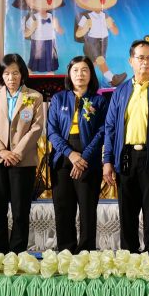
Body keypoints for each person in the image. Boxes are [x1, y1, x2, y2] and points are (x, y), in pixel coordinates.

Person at [102, 40, 149, 253]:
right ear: (131, 61)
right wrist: (107, 160)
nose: (145, 62)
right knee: (127, 211)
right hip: (125, 157)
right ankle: (129, 255)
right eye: (141, 58)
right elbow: (110, 128)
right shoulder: (120, 91)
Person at [0, 53, 44, 254]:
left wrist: (16, 153)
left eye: (15, 73)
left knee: (20, 212)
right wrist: (2, 151)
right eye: (6, 73)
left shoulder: (34, 97)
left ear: (22, 74)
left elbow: (36, 128)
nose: (11, 78)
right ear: (1, 75)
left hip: (22, 161)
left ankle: (16, 255)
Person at [47, 56, 108, 252]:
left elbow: (102, 131)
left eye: (84, 70)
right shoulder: (58, 99)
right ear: (69, 74)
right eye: (75, 70)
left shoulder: (99, 100)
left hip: (88, 158)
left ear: (91, 74)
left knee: (87, 209)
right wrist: (71, 154)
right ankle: (66, 252)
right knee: (63, 209)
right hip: (62, 156)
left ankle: (86, 254)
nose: (79, 74)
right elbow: (52, 131)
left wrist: (84, 157)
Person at [70, 0, 126, 87]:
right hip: (91, 42)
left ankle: (86, 80)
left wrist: (111, 25)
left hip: (103, 40)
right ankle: (112, 79)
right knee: (100, 61)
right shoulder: (85, 16)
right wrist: (86, 27)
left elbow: (115, 32)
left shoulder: (105, 15)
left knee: (94, 63)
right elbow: (78, 33)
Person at [14, 0, 64, 74]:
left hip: (50, 41)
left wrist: (57, 27)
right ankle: (30, 72)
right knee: (36, 60)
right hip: (37, 42)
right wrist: (33, 27)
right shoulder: (33, 18)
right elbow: (26, 34)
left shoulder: (52, 17)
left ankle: (50, 73)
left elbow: (61, 32)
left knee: (50, 62)